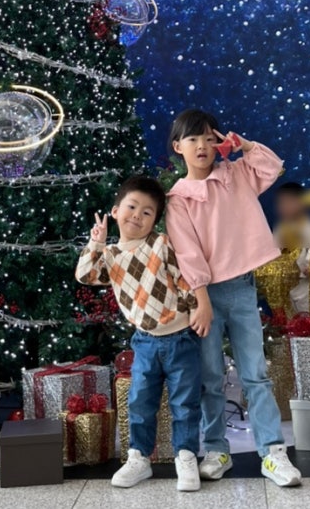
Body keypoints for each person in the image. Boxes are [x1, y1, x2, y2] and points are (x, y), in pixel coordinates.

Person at [165, 109, 302, 488]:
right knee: (210, 377)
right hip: (205, 295)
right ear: (177, 147)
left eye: (210, 138)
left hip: (242, 288)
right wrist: (201, 299)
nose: (202, 146)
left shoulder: (236, 175)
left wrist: (245, 145)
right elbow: (187, 252)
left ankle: (272, 452)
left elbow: (272, 167)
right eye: (193, 139)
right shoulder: (178, 199)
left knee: (255, 374)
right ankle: (216, 449)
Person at [75, 174, 202, 492]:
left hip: (181, 337)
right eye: (131, 207)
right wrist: (97, 242)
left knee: (185, 402)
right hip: (145, 341)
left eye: (147, 212)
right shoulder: (111, 255)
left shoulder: (160, 244)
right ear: (116, 211)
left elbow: (182, 278)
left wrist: (196, 310)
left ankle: (186, 456)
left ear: (155, 221)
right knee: (140, 402)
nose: (137, 215)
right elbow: (85, 275)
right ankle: (138, 458)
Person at [273, 181, 310, 315]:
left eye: (288, 202)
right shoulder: (280, 228)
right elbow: (272, 250)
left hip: (306, 284)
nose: (283, 207)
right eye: (281, 203)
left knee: (308, 320)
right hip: (285, 283)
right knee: (287, 319)